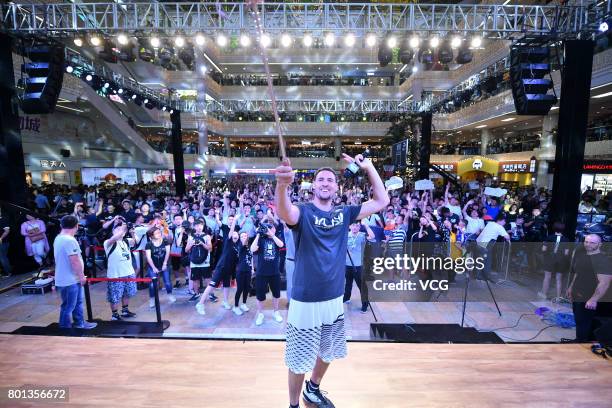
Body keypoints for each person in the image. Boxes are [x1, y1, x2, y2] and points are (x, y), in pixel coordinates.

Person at [274, 152, 389, 408]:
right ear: (313, 186)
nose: (325, 183)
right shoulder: (303, 212)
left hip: (334, 298)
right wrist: (282, 186)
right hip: (305, 300)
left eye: (329, 180)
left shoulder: (345, 213)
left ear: (336, 187)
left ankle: (312, 389)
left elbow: (382, 200)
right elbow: (284, 211)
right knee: (299, 359)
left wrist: (369, 167)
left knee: (328, 351)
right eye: (321, 180)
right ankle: (293, 404)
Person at [564, 234, 612, 342]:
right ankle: (580, 340)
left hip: (589, 297)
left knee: (584, 321)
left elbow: (604, 282)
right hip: (578, 293)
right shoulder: (583, 256)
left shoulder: (603, 261)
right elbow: (578, 273)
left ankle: (581, 343)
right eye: (586, 242)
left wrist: (593, 299)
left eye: (592, 242)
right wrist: (571, 287)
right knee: (579, 320)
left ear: (600, 244)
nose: (588, 244)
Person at [53, 215, 96, 329]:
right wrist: (81, 276)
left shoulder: (59, 238)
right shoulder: (69, 240)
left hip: (68, 278)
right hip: (70, 280)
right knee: (69, 306)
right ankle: (65, 329)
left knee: (76, 304)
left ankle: (79, 323)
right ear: (76, 226)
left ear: (61, 225)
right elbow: (75, 261)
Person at [195, 215, 239, 315]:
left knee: (227, 285)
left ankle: (225, 302)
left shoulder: (237, 246)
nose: (235, 235)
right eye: (233, 233)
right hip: (221, 267)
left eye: (237, 234)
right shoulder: (228, 241)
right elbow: (231, 231)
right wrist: (235, 221)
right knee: (212, 285)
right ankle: (200, 304)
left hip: (229, 269)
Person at [250, 221, 284, 325]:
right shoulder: (261, 239)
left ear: (274, 229)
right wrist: (258, 234)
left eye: (271, 227)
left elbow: (281, 245)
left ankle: (276, 312)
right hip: (261, 272)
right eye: (267, 228)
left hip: (274, 272)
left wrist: (272, 235)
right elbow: (252, 249)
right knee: (260, 295)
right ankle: (260, 314)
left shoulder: (276, 238)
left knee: (276, 294)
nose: (269, 229)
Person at [103, 222, 138, 321]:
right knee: (114, 296)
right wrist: (123, 228)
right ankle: (114, 315)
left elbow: (134, 242)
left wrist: (132, 233)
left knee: (127, 293)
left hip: (129, 272)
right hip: (115, 275)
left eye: (121, 229)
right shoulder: (108, 242)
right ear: (112, 231)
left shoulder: (126, 241)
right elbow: (114, 238)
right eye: (117, 229)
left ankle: (125, 310)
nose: (120, 231)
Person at [345, 220, 375, 313]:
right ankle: (346, 297)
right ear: (350, 226)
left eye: (357, 226)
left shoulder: (362, 235)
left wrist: (366, 226)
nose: (355, 227)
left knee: (361, 285)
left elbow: (372, 237)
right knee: (348, 283)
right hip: (347, 264)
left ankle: (365, 303)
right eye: (353, 225)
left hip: (358, 265)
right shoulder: (345, 235)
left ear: (359, 227)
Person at [145, 226, 176, 308]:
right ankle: (152, 299)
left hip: (164, 264)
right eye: (156, 233)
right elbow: (148, 257)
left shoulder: (165, 241)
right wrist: (153, 267)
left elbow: (167, 253)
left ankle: (170, 294)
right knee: (152, 284)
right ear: (151, 235)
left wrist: (165, 263)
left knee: (167, 282)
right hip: (153, 266)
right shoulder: (149, 244)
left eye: (159, 232)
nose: (159, 234)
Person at [538, 221, 570, 301]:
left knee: (547, 277)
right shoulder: (566, 239)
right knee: (559, 278)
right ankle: (558, 297)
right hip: (561, 260)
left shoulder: (549, 237)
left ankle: (544, 294)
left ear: (554, 228)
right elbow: (566, 253)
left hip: (550, 258)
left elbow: (544, 249)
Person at [185, 219, 213, 302]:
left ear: (203, 226)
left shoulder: (207, 236)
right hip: (194, 262)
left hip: (205, 262)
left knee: (208, 279)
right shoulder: (191, 237)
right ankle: (196, 294)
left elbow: (210, 249)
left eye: (200, 225)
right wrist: (191, 243)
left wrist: (202, 243)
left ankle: (211, 294)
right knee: (195, 279)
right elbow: (186, 250)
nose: (199, 227)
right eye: (197, 226)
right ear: (194, 227)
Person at [233, 231, 253, 316]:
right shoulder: (239, 246)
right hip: (240, 271)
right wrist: (244, 240)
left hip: (248, 270)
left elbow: (250, 257)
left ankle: (244, 304)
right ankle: (236, 306)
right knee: (239, 289)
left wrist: (252, 268)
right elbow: (242, 246)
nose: (244, 237)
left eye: (245, 236)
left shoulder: (249, 246)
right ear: (239, 238)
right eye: (242, 236)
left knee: (247, 288)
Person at [0, 207, 12, 276]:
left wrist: (1, 238)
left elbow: (7, 231)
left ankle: (8, 272)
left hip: (3, 242)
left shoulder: (3, 219)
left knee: (2, 257)